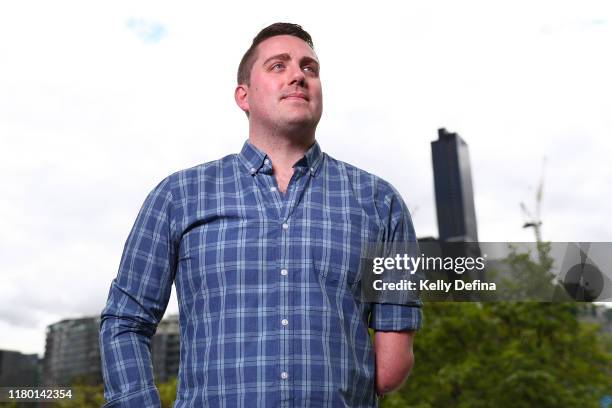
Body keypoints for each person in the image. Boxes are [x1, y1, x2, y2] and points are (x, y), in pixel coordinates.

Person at [100, 22, 422, 407]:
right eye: (277, 66)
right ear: (244, 95)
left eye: (309, 68)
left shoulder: (383, 202)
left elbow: (390, 368)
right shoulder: (177, 195)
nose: (298, 77)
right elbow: (125, 320)